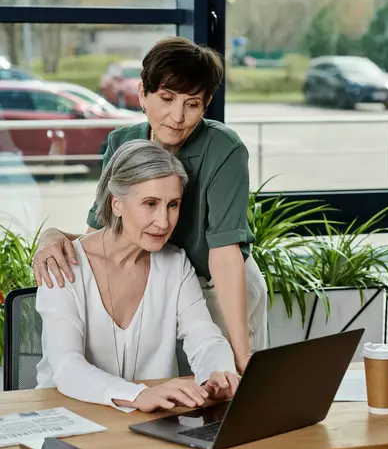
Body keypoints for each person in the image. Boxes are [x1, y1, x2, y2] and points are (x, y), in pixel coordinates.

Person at [34, 37, 268, 374]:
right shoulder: (122, 142)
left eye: (193, 104)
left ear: (207, 104)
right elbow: (105, 235)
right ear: (143, 93)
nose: (177, 117)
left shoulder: (224, 150)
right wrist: (54, 235)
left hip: (218, 286)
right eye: (167, 99)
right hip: (158, 282)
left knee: (227, 380)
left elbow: (224, 253)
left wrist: (242, 355)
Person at [36, 140, 239, 412]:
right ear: (116, 204)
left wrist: (218, 373)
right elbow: (66, 366)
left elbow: (205, 338)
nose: (164, 222)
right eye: (150, 203)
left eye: (173, 204)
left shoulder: (175, 265)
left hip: (147, 423)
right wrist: (139, 395)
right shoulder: (63, 263)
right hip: (65, 417)